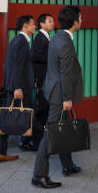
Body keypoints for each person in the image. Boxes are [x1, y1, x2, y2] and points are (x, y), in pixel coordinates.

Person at [32, 5, 83, 189]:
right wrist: (67, 98)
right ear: (75, 22)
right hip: (59, 94)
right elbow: (65, 72)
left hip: (53, 90)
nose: (81, 21)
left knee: (63, 128)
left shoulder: (57, 37)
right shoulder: (65, 42)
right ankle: (39, 175)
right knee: (51, 134)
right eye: (80, 18)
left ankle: (67, 165)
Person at [0, 14, 36, 163]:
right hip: (18, 87)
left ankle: (1, 150)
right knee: (8, 118)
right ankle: (1, 151)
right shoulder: (22, 42)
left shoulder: (17, 41)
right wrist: (18, 87)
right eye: (32, 24)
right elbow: (17, 67)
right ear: (25, 26)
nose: (34, 26)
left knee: (8, 117)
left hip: (15, 85)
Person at [31, 13, 55, 145]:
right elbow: (34, 56)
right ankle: (36, 139)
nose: (52, 23)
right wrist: (51, 59)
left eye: (52, 21)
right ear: (42, 24)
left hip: (45, 79)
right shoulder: (40, 38)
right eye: (49, 21)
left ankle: (40, 138)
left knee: (43, 109)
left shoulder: (46, 37)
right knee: (41, 109)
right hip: (41, 80)